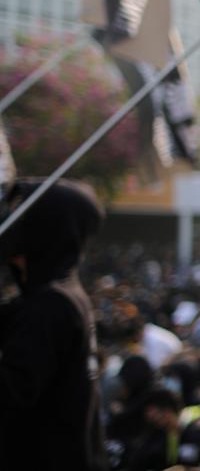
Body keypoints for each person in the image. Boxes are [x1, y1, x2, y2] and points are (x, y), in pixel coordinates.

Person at [0, 179, 108, 470]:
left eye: (19, 216)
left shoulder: (51, 305)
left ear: (45, 230)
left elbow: (10, 391)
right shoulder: (60, 295)